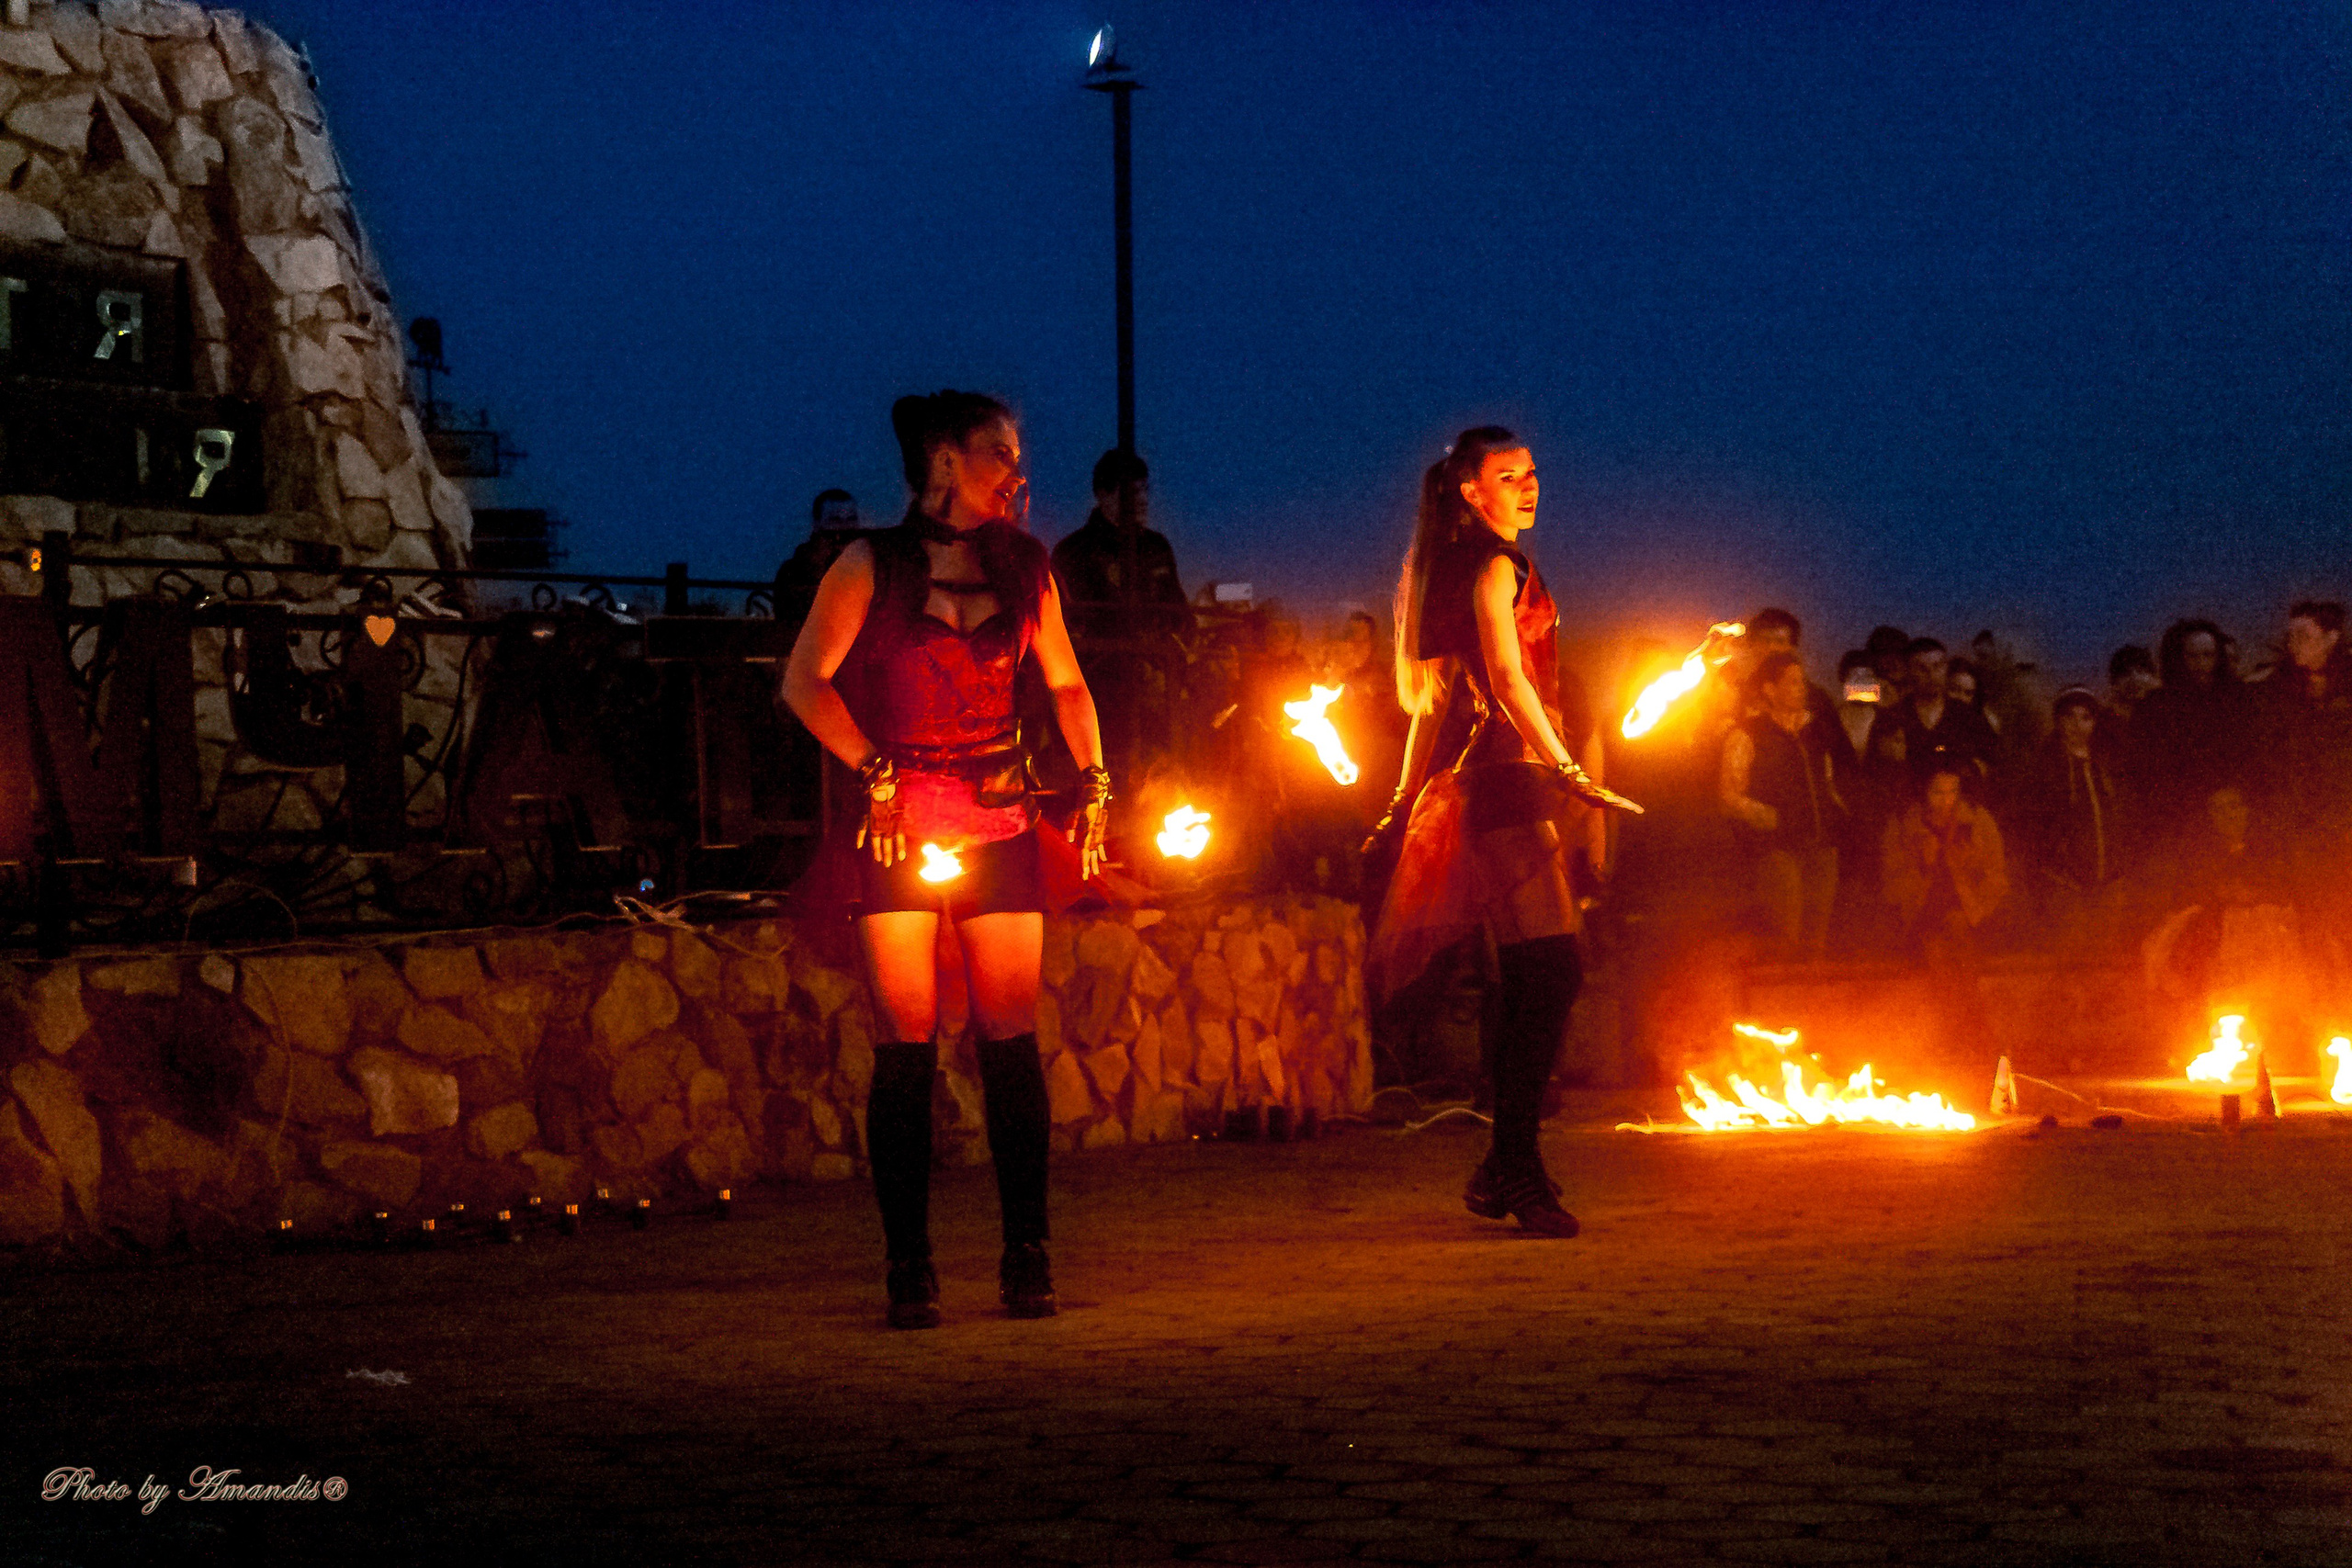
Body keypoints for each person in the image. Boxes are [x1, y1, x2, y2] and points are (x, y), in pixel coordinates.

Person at [782, 391, 1110, 1331]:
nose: (1017, 472)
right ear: (944, 459)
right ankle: (909, 1264)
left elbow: (1067, 685)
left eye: (1018, 453)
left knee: (1009, 1040)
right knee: (906, 1047)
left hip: (1002, 822)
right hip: (900, 830)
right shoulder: (869, 565)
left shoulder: (1025, 568)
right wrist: (872, 768)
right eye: (999, 452)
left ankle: (1027, 1251)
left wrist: (1095, 780)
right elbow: (804, 683)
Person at [1364, 426, 1638, 1236]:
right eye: (1508, 475)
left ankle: (1504, 1164)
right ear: (1469, 490)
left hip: (1506, 778)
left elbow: (1438, 701)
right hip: (1506, 780)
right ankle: (1512, 1162)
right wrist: (1569, 768)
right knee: (1551, 968)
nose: (1528, 485)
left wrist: (1401, 798)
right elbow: (1508, 682)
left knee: (1535, 972)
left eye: (1531, 472)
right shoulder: (1491, 566)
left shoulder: (1463, 565)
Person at [1051, 449, 1191, 780]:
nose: (1142, 500)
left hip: (1154, 693)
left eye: (1145, 490)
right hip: (1099, 693)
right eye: (1131, 491)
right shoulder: (1074, 553)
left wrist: (1174, 648)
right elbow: (1067, 628)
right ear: (1104, 495)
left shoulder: (1156, 548)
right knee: (1098, 774)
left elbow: (1180, 613)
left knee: (1160, 779)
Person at [1720, 650, 1845, 961]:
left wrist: (1837, 816)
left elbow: (1828, 779)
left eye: (1802, 682)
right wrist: (1766, 817)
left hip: (1821, 844)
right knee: (1785, 934)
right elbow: (1729, 795)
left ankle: (1812, 987)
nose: (1801, 689)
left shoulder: (1816, 731)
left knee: (1817, 939)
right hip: (1778, 849)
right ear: (1770, 689)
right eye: (1792, 683)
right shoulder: (1748, 734)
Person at [2014, 687, 2132, 955]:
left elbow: (2124, 815)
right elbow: (2031, 825)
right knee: (2069, 957)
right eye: (2070, 717)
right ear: (2058, 721)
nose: (2078, 725)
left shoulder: (2107, 765)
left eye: (2085, 718)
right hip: (2064, 883)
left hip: (2111, 881)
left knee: (2107, 958)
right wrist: (2051, 863)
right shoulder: (2045, 768)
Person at [2130, 618, 2252, 836]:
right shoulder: (2155, 708)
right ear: (2179, 658)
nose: (2201, 664)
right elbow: (2149, 772)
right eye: (2193, 656)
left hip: (2233, 814)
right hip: (2182, 819)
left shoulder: (2238, 700)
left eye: (2208, 655)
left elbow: (2249, 755)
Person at [1882, 765, 2008, 960]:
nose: (1946, 801)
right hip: (1921, 915)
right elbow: (1892, 886)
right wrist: (1923, 865)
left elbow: (1996, 875)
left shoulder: (1977, 821)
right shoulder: (1904, 825)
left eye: (1952, 792)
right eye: (1938, 793)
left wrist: (1977, 907)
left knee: (1960, 940)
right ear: (1924, 791)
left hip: (1970, 914)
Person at [1867, 637, 1999, 790]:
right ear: (1909, 671)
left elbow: (1993, 761)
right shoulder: (1893, 717)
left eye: (1938, 666)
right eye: (1922, 668)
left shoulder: (1966, 715)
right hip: (1908, 800)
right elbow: (1873, 773)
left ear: (1946, 667)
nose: (1931, 674)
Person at [775, 489, 865, 627]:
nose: (845, 526)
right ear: (817, 524)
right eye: (835, 520)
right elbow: (793, 620)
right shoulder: (794, 571)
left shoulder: (867, 565)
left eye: (851, 519)